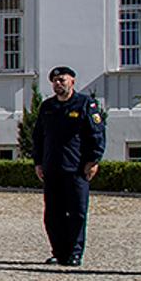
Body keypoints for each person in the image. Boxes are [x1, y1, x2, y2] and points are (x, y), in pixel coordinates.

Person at [33, 66, 105, 267]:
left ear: (72, 81)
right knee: (52, 215)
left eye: (62, 80)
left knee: (77, 213)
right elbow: (38, 136)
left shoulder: (84, 104)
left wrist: (93, 160)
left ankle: (74, 253)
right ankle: (59, 251)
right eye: (55, 81)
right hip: (52, 168)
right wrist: (38, 162)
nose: (58, 84)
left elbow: (97, 134)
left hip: (76, 168)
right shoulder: (48, 106)